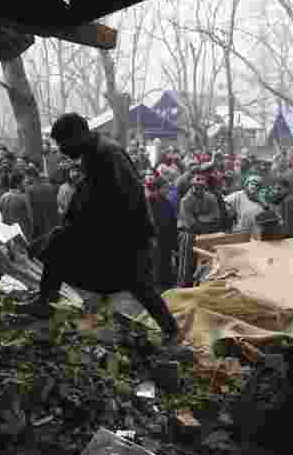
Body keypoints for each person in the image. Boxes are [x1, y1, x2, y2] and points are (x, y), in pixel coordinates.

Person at [15, 112, 182, 348]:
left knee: (138, 283)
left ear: (79, 135)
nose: (62, 150)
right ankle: (45, 300)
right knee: (59, 248)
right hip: (111, 229)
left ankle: (171, 330)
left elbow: (120, 198)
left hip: (125, 233)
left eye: (63, 143)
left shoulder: (106, 154)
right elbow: (89, 194)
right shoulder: (94, 153)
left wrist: (81, 230)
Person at [176, 174, 221, 287]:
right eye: (196, 187)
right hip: (189, 234)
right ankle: (184, 285)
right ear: (192, 186)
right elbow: (190, 223)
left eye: (201, 187)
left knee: (207, 261)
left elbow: (216, 216)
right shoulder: (185, 200)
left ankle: (202, 284)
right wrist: (205, 220)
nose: (198, 189)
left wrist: (200, 218)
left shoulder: (211, 198)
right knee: (187, 263)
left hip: (207, 233)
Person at [146, 174, 177, 292]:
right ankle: (157, 288)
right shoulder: (150, 202)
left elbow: (172, 220)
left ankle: (167, 285)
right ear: (158, 188)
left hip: (166, 238)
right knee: (156, 264)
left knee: (166, 262)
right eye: (165, 188)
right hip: (155, 239)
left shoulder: (166, 202)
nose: (168, 190)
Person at [24, 167, 60, 250]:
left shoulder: (29, 190)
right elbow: (56, 205)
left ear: (31, 176)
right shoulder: (51, 187)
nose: (26, 179)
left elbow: (30, 212)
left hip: (38, 226)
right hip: (52, 223)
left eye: (27, 177)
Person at [0, 170, 34, 240]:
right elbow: (30, 218)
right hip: (21, 235)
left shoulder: (3, 197)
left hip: (7, 234)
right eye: (24, 182)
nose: (25, 184)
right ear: (18, 184)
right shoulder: (23, 198)